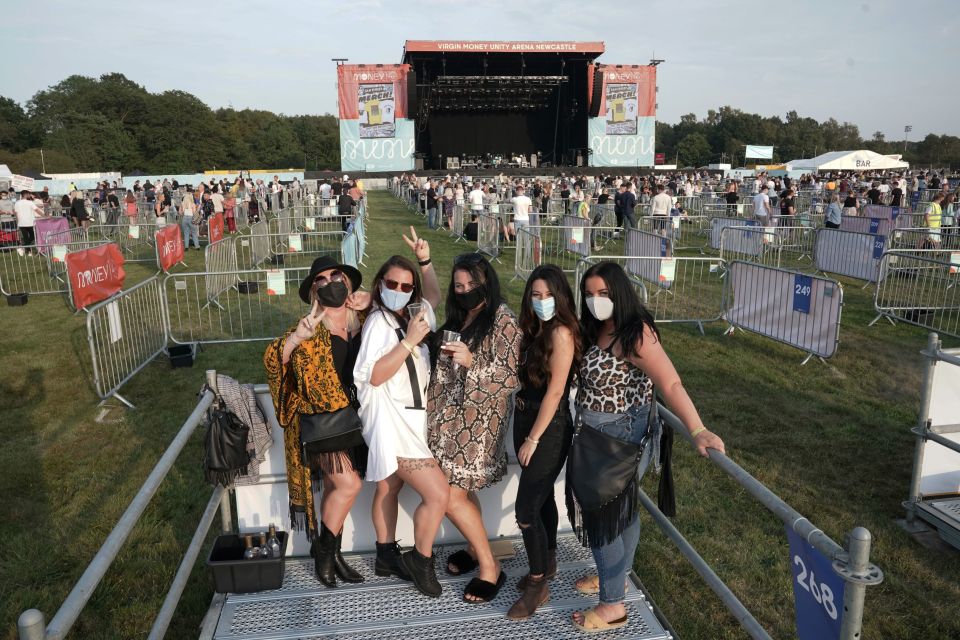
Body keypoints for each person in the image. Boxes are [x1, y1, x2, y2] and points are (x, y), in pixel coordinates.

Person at [569, 262, 726, 633]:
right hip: (596, 438)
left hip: (619, 441)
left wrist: (698, 428)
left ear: (619, 293)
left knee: (603, 516)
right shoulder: (596, 329)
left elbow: (670, 384)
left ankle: (612, 606)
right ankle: (617, 579)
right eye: (589, 295)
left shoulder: (635, 334)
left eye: (603, 294)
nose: (595, 301)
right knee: (622, 512)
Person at [264, 256, 372, 587]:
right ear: (314, 291)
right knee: (348, 484)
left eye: (335, 276)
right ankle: (324, 553)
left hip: (358, 419)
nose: (329, 283)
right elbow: (273, 361)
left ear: (348, 282)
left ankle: (332, 553)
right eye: (321, 280)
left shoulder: (364, 322)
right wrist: (296, 339)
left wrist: (374, 300)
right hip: (324, 423)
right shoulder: (310, 325)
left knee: (338, 487)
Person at [354, 228, 449, 598]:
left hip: (412, 417)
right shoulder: (380, 323)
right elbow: (374, 375)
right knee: (438, 494)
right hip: (393, 423)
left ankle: (385, 553)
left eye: (406, 286)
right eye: (391, 282)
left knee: (389, 485)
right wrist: (409, 341)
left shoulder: (410, 313)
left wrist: (425, 260)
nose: (398, 289)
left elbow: (435, 296)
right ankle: (419, 560)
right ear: (380, 284)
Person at [427, 253, 521, 603]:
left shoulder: (503, 319)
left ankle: (489, 567)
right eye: (459, 285)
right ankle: (473, 545)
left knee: (451, 495)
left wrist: (473, 363)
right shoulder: (460, 316)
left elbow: (511, 375)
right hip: (449, 420)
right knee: (461, 491)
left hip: (480, 423)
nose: (465, 291)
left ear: (487, 284)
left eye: (472, 285)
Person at [506, 264, 581, 620]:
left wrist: (533, 438)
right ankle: (548, 559)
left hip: (547, 428)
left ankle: (538, 583)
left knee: (525, 510)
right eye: (535, 295)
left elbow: (555, 393)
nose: (542, 301)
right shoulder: (533, 329)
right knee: (541, 496)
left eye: (548, 295)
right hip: (525, 417)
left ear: (561, 296)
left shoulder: (562, 333)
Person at [13, 191, 44, 255]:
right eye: (29, 194)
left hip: (21, 223)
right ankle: (28, 251)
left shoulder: (17, 203)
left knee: (26, 237)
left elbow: (15, 213)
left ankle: (23, 247)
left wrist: (17, 222)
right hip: (29, 222)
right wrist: (44, 216)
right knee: (32, 236)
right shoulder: (30, 202)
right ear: (26, 195)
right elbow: (37, 210)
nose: (30, 195)